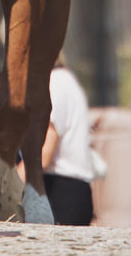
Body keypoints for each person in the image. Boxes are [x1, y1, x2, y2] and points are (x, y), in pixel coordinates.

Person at [41, 54, 98, 226]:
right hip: (67, 192)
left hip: (61, 194)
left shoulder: (54, 83)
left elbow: (43, 156)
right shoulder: (62, 80)